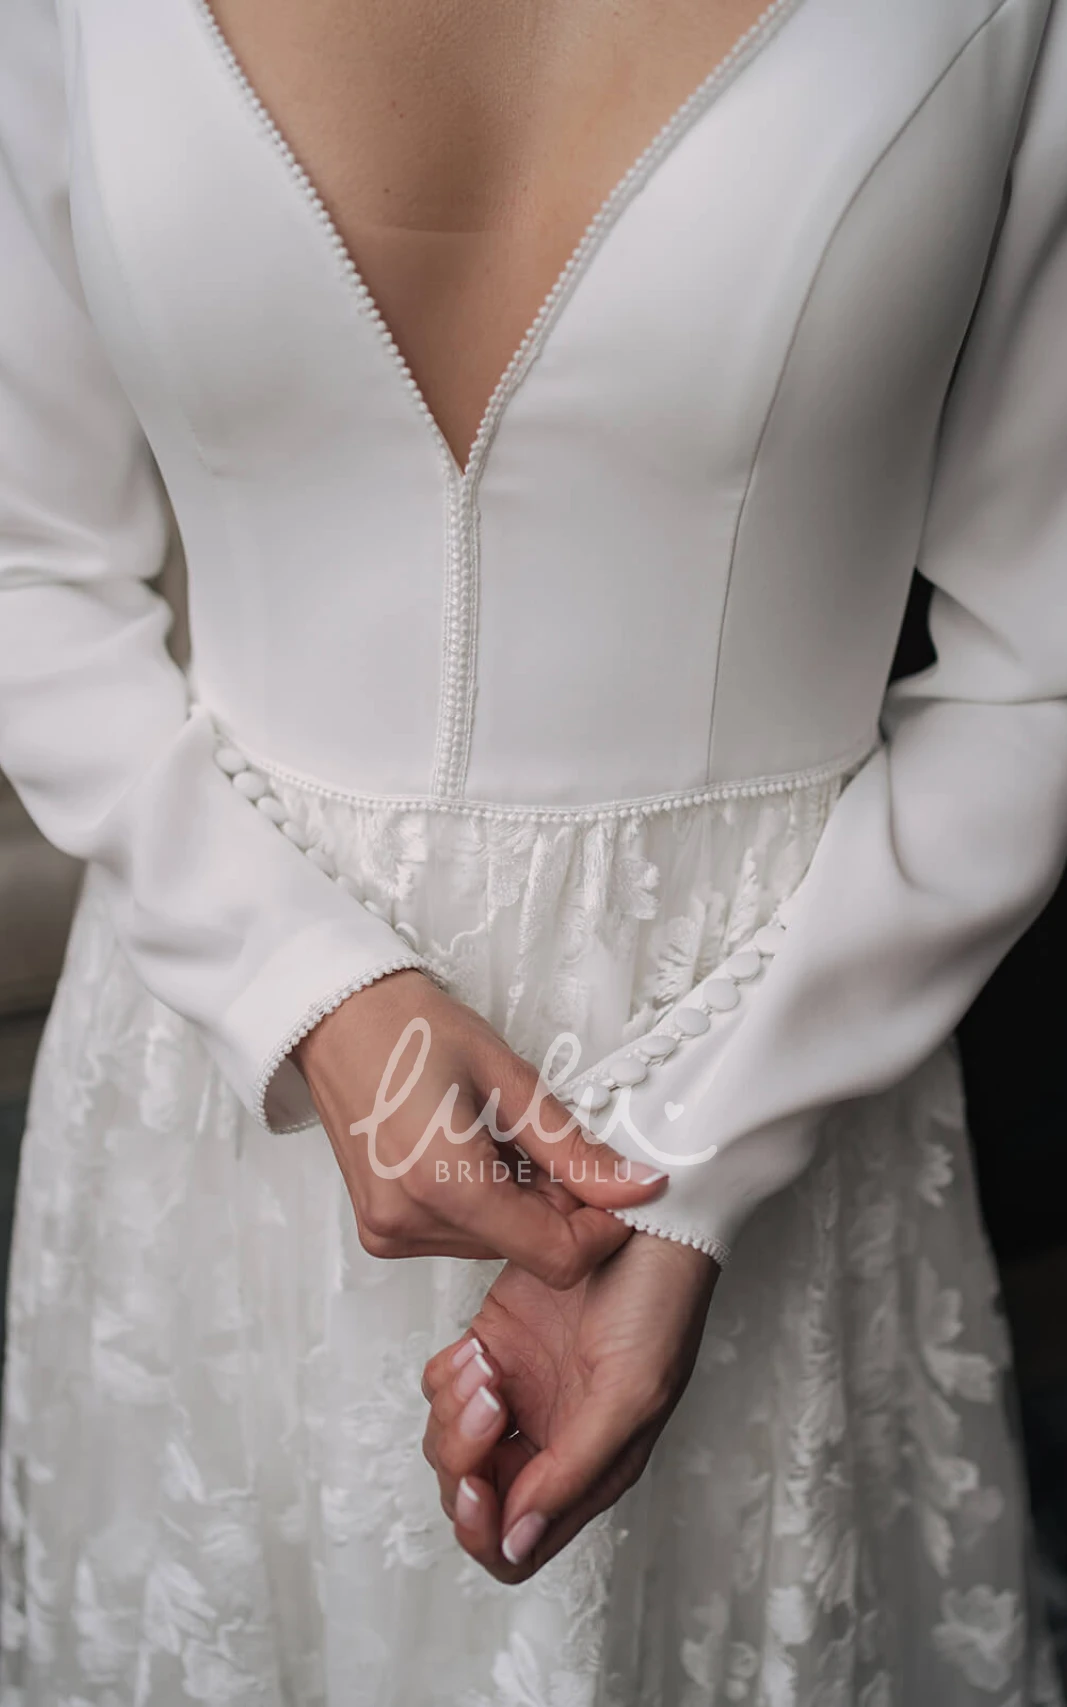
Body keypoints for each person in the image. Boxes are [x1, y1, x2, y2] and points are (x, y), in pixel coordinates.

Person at [1, 0, 1066, 1699]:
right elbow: (27, 560)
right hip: (219, 1102)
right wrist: (304, 988)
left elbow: (1039, 669)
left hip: (765, 1099)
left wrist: (694, 1163)